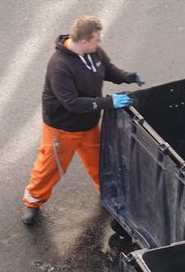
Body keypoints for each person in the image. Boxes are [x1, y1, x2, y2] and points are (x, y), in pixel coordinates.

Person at [21, 15, 143, 226]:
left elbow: (108, 69)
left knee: (101, 163)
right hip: (62, 129)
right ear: (84, 41)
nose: (100, 43)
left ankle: (108, 195)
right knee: (50, 168)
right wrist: (108, 102)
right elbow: (73, 104)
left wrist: (127, 76)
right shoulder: (59, 66)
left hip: (88, 125)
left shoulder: (93, 52)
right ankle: (33, 201)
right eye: (97, 39)